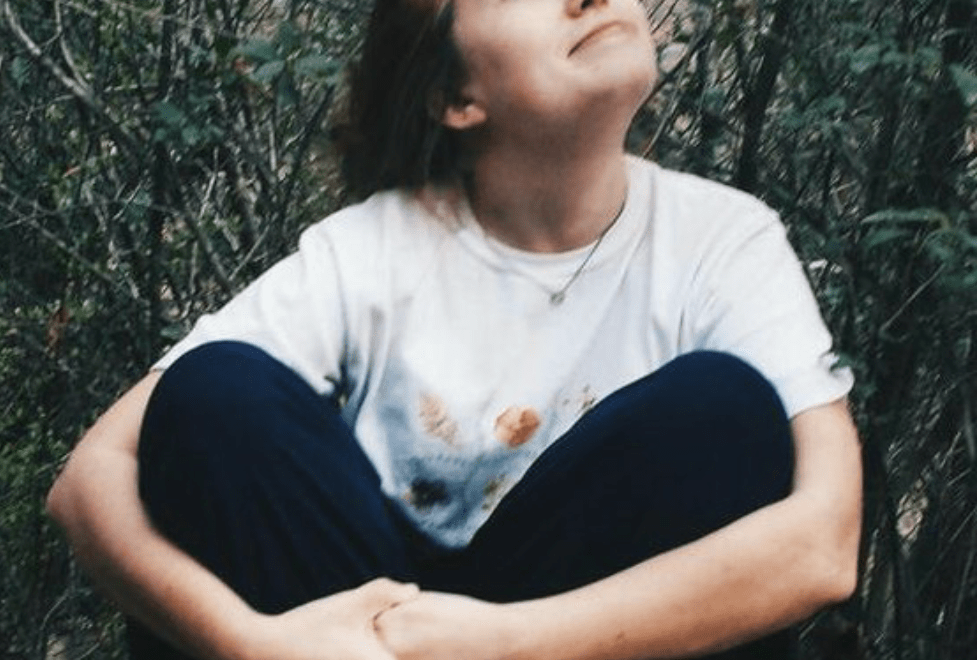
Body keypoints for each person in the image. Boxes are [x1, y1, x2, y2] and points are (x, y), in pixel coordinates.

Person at [47, 0, 863, 659]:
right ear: (456, 98)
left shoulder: (720, 240)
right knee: (219, 392)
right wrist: (252, 644)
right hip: (367, 624)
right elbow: (89, 480)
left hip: (553, 643)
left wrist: (505, 645)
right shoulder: (373, 251)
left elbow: (821, 547)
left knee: (719, 410)